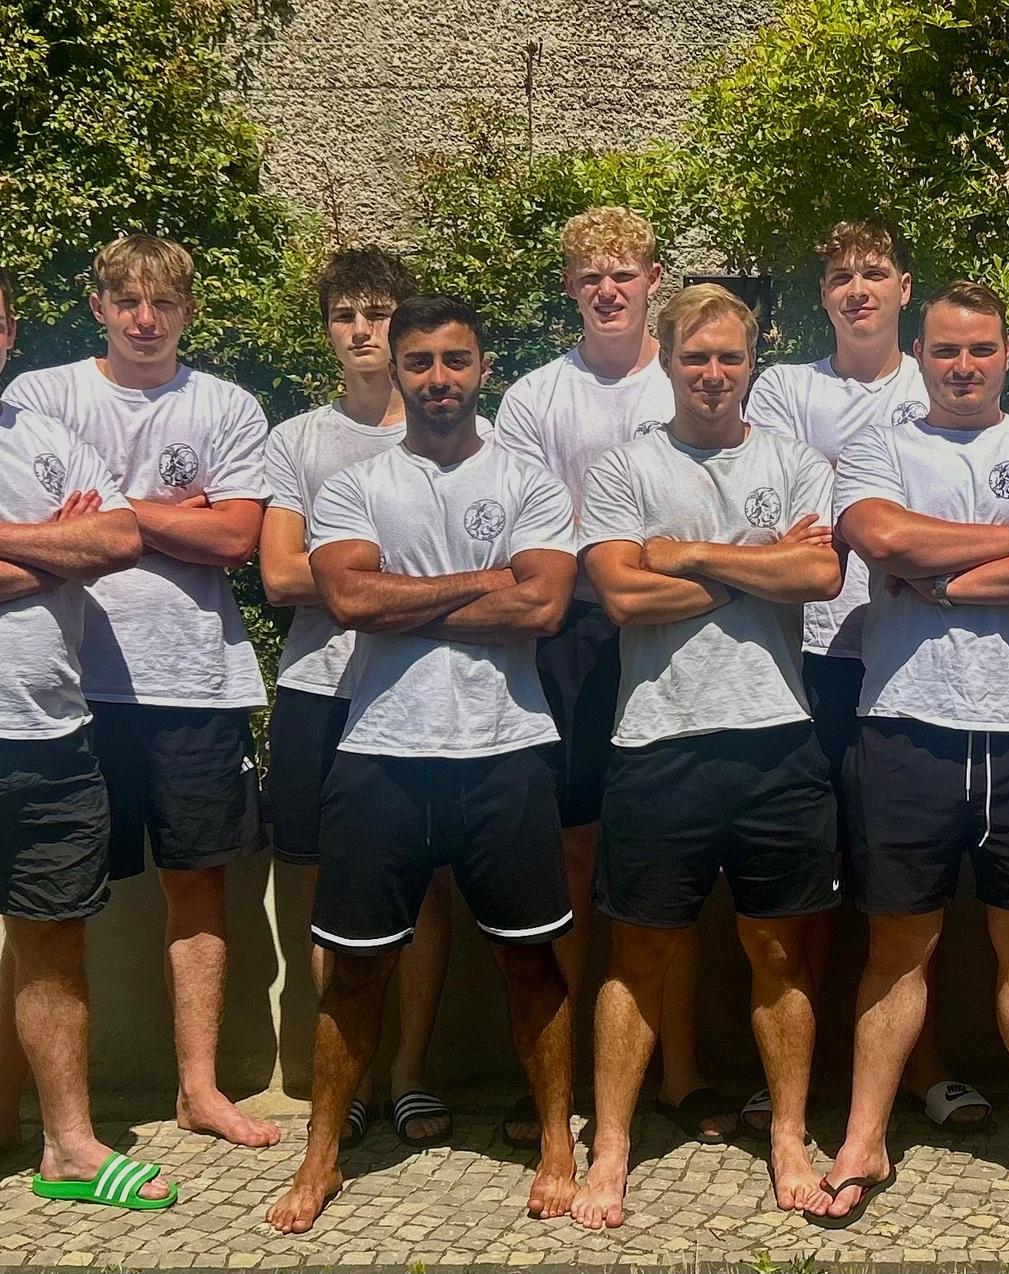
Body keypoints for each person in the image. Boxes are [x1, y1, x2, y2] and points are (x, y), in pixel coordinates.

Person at [266, 295, 579, 1233]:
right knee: (352, 971)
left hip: (506, 750)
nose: (438, 379)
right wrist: (485, 579)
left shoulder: (529, 480)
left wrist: (409, 600)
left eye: (455, 361)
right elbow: (348, 599)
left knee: (532, 964)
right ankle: (321, 1158)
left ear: (483, 367)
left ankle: (560, 1140)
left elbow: (543, 610)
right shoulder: (356, 484)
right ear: (396, 374)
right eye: (420, 364)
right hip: (381, 754)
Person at [814, 281, 1009, 1226]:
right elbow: (881, 535)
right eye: (945, 350)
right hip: (908, 725)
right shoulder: (880, 441)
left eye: (980, 349)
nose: (962, 367)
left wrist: (949, 579)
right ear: (920, 351)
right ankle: (865, 1138)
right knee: (897, 948)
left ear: (1006, 351)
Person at [570, 285, 843, 1227]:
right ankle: (609, 1150)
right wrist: (749, 563)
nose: (713, 374)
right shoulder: (623, 468)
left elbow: (817, 574)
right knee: (637, 951)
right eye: (695, 358)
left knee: (778, 950)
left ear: (752, 362)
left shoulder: (797, 462)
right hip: (657, 739)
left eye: (729, 358)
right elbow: (621, 599)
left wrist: (682, 553)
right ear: (667, 360)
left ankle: (788, 1137)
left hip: (776, 738)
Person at [1, 234, 277, 1149]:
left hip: (193, 676)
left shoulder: (227, 404)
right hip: (72, 689)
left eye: (164, 303)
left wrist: (113, 519)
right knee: (40, 903)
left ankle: (198, 1090)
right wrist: (169, 519)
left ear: (190, 310)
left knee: (196, 884)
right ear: (99, 307)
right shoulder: (38, 395)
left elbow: (238, 538)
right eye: (127, 301)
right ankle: (18, 1106)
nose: (145, 320)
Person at [750, 217, 993, 1135]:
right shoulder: (783, 390)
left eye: (875, 272)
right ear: (823, 296)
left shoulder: (938, 380)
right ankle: (793, 1077)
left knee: (899, 885)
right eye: (840, 274)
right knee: (807, 873)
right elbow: (782, 517)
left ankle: (921, 1070)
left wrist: (914, 541)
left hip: (912, 662)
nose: (857, 287)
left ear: (902, 289)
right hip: (803, 656)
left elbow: (939, 521)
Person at [493, 208, 726, 1145]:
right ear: (570, 287)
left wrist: (660, 570)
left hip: (680, 635)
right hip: (575, 643)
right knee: (575, 857)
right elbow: (525, 524)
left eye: (623, 272)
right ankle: (565, 1075)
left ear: (652, 279)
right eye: (589, 274)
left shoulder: (683, 381)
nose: (607, 289)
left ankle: (680, 1073)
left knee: (670, 854)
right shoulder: (535, 399)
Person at [259, 248, 453, 1150]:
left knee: (424, 894)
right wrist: (401, 580)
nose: (363, 330)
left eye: (379, 313)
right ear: (328, 328)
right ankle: (353, 1078)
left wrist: (362, 578)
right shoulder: (300, 440)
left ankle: (408, 1073)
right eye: (345, 314)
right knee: (329, 896)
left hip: (419, 691)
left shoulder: (458, 436)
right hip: (316, 690)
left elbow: (505, 579)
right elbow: (278, 576)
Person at [0, 268, 171, 1208]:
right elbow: (80, 553)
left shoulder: (47, 438)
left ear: (10, 331)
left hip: (48, 732)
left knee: (52, 943)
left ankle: (67, 1146)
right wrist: (50, 552)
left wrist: (19, 544)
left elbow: (117, 543)